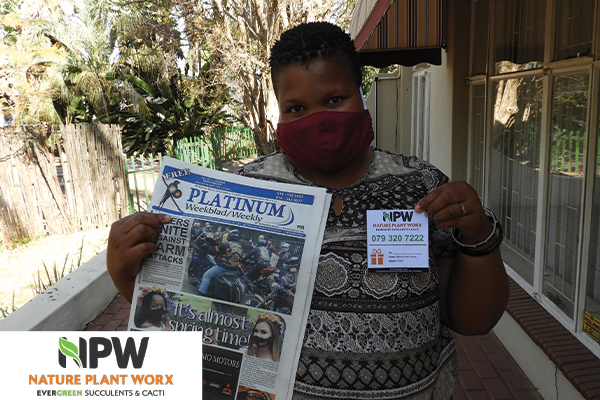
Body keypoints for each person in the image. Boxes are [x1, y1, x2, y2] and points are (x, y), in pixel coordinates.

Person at [107, 22, 508, 399]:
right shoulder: (249, 188)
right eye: (296, 108)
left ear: (361, 93)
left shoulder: (419, 186)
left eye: (334, 99)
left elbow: (471, 319)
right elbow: (193, 324)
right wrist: (127, 277)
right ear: (279, 111)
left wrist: (478, 238)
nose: (318, 121)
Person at [197, 228, 244, 297]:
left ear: (230, 236)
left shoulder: (226, 244)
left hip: (223, 268)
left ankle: (201, 292)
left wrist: (205, 247)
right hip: (234, 270)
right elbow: (241, 259)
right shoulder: (241, 248)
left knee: (206, 276)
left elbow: (214, 251)